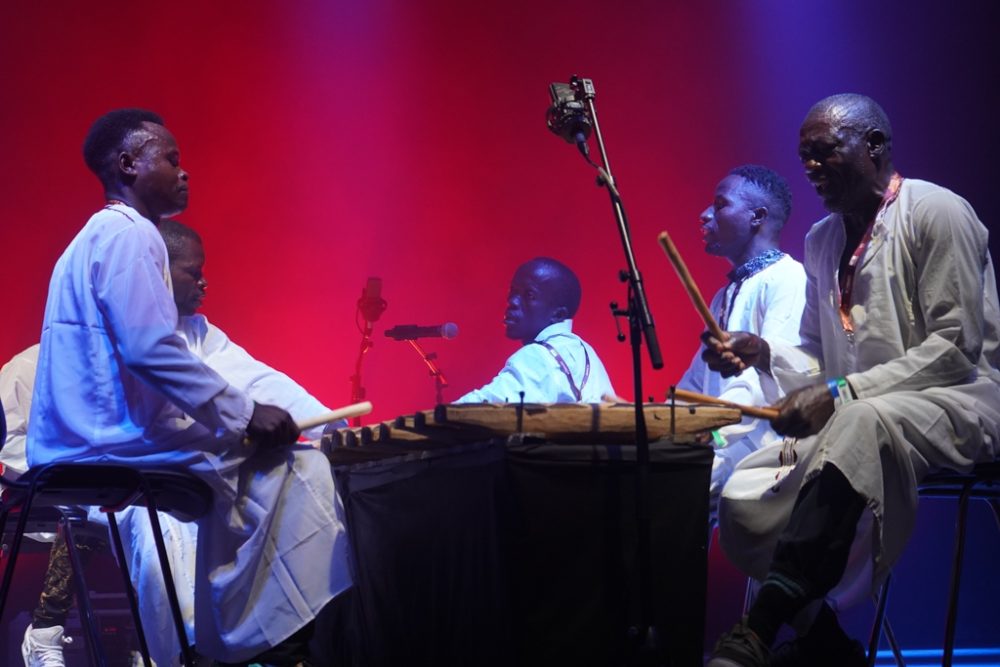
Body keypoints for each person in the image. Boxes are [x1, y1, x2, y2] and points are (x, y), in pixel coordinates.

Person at [26, 109, 351, 666]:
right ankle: (240, 638)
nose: (185, 172)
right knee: (300, 467)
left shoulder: (89, 239)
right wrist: (246, 415)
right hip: (106, 444)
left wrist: (261, 412)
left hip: (84, 440)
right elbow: (150, 349)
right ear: (128, 164)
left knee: (260, 463)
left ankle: (224, 632)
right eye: (172, 158)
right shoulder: (133, 236)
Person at [704, 94, 1000, 666]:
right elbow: (818, 352)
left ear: (875, 147)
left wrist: (843, 393)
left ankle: (757, 632)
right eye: (804, 155)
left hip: (961, 401)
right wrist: (765, 352)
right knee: (742, 495)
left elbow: (954, 349)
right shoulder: (821, 240)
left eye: (824, 152)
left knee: (861, 420)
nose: (810, 166)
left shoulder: (936, 212)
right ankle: (826, 646)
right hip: (864, 416)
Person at [676, 164, 806, 523]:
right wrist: (668, 422)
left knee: (669, 492)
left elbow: (770, 383)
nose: (705, 215)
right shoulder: (724, 296)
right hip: (725, 443)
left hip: (765, 447)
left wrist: (711, 435)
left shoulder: (788, 279)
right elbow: (696, 384)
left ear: (757, 217)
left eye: (720, 205)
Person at [453, 257, 615, 404]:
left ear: (558, 314)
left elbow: (481, 407)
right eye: (513, 291)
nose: (512, 301)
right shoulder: (585, 351)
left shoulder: (539, 356)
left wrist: (430, 423)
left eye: (529, 295)